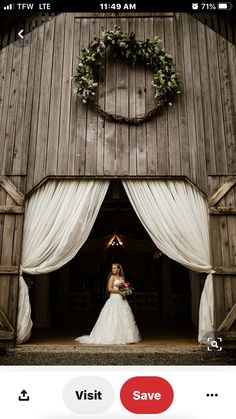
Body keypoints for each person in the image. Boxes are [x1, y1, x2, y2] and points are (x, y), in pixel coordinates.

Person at [75, 263, 141, 344]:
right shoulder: (112, 277)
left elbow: (124, 287)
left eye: (114, 268)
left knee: (123, 316)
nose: (113, 270)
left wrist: (125, 291)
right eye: (112, 268)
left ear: (119, 269)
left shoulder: (121, 278)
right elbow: (109, 289)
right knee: (112, 316)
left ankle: (126, 337)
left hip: (121, 300)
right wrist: (119, 292)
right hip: (114, 298)